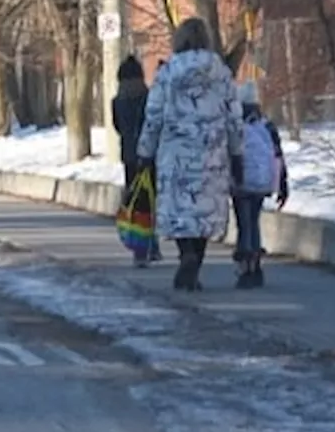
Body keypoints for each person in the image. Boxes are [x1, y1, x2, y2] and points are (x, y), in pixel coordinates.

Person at [137, 17, 244, 292]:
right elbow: (234, 117)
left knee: (181, 209)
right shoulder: (220, 73)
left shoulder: (168, 73)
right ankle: (195, 264)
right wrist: (237, 152)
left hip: (176, 154)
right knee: (204, 211)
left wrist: (145, 153)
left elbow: (153, 116)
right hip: (212, 154)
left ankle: (186, 254)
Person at [231, 81, 288, 289]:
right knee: (253, 221)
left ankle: (246, 266)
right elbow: (278, 156)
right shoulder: (266, 125)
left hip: (241, 183)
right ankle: (256, 265)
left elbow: (229, 153)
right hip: (262, 182)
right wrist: (282, 184)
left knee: (243, 224)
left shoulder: (235, 125)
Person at [111, 54, 160, 267]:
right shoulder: (149, 98)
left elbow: (118, 127)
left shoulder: (117, 102)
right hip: (149, 156)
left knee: (136, 203)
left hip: (129, 157)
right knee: (150, 202)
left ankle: (141, 248)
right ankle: (150, 245)